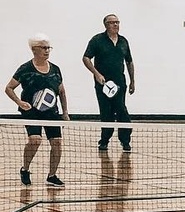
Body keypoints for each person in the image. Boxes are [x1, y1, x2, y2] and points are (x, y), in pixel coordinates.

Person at [5, 33, 69, 188]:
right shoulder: (25, 69)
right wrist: (19, 102)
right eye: (43, 47)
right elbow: (9, 88)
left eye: (48, 47)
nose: (47, 50)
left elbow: (61, 91)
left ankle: (52, 175)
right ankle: (25, 169)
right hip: (31, 111)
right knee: (35, 140)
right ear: (34, 49)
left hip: (51, 112)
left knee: (57, 143)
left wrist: (65, 112)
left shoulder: (55, 69)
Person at [82, 13, 135, 151]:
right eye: (112, 22)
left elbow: (129, 61)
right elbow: (86, 58)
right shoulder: (97, 40)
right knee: (106, 112)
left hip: (120, 83)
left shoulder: (123, 41)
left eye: (117, 22)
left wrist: (132, 81)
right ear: (106, 25)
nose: (116, 25)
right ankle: (104, 141)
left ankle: (125, 141)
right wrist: (96, 74)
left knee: (122, 110)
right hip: (103, 84)